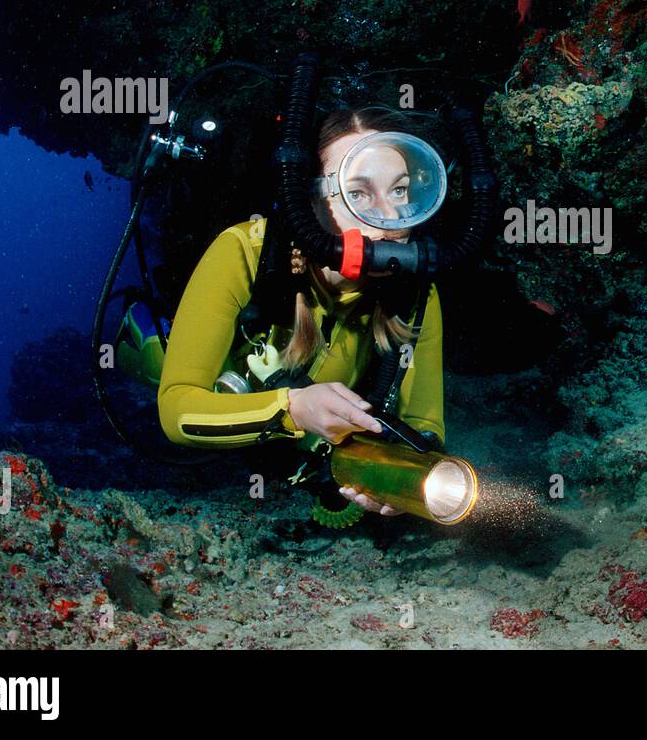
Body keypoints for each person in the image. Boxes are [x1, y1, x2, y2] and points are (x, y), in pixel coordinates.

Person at [157, 108, 445, 516]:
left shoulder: (417, 295)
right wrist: (292, 409)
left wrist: (406, 472)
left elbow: (425, 424)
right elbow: (176, 412)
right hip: (225, 397)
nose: (388, 219)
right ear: (310, 199)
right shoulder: (244, 252)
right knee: (152, 356)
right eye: (358, 193)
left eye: (399, 191)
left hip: (303, 457)